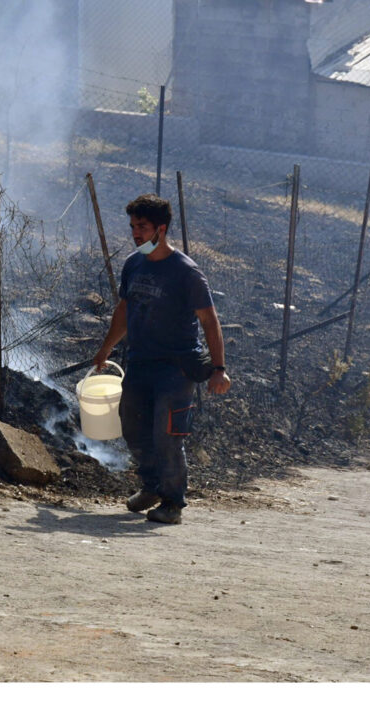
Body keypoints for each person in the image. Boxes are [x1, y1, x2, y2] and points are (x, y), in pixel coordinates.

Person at [92, 193, 231, 524]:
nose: (135, 233)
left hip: (176, 367)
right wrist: (106, 348)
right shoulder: (134, 264)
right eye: (132, 227)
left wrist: (219, 369)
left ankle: (172, 503)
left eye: (142, 227)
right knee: (132, 426)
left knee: (166, 435)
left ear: (161, 229)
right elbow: (124, 309)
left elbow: (209, 320)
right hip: (140, 362)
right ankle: (151, 486)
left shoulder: (185, 272)